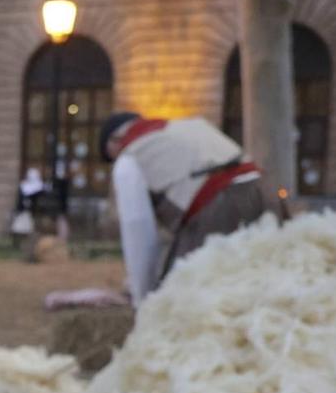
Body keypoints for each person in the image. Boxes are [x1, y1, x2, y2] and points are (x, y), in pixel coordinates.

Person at [100, 111, 268, 304]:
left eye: (110, 157)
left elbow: (138, 229)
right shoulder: (188, 126)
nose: (114, 161)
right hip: (264, 190)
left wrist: (143, 299)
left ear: (113, 142)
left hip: (220, 205)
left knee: (181, 293)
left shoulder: (129, 158)